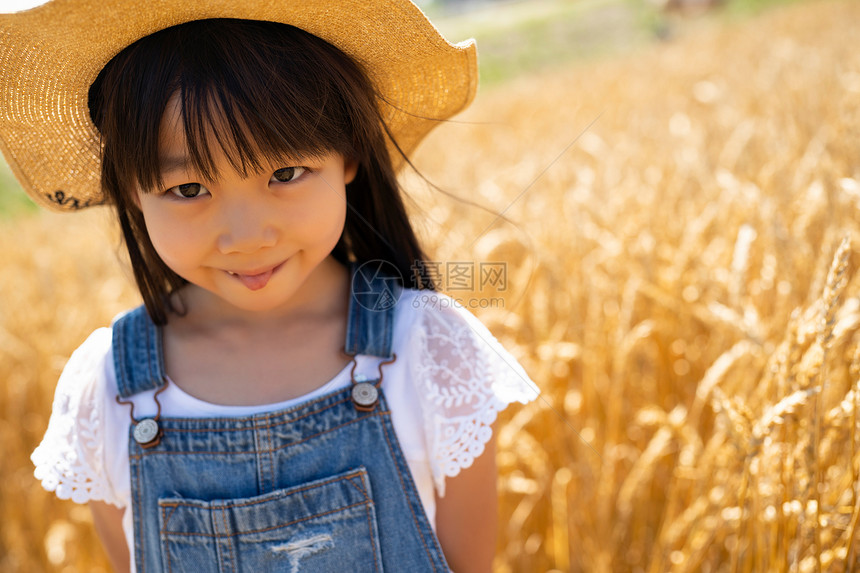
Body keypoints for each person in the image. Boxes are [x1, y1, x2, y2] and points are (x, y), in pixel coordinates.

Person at [0, 1, 538, 571]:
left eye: (284, 174)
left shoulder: (430, 353)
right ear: (132, 189)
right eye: (188, 189)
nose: (247, 236)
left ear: (349, 153)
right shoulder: (108, 390)